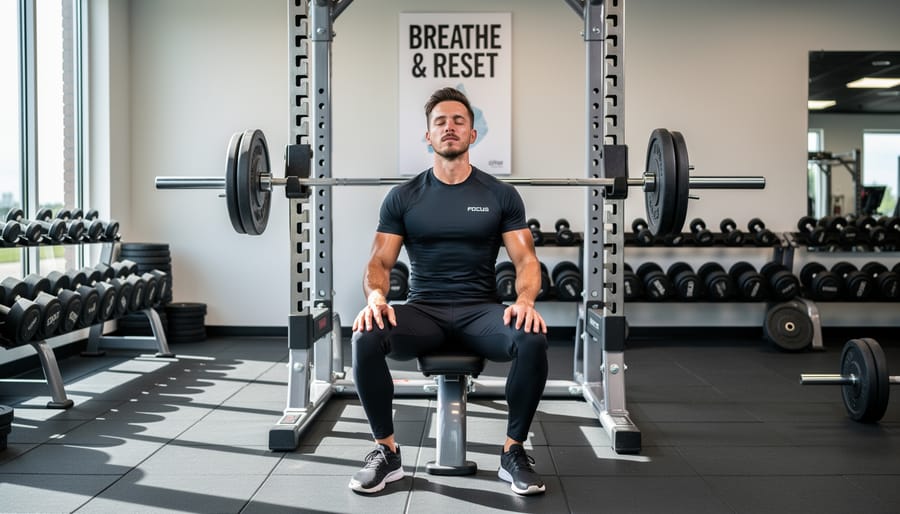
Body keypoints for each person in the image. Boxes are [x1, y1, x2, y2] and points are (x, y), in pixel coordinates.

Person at [347, 87, 549, 496]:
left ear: (473, 135)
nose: (449, 128)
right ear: (428, 136)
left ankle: (513, 452)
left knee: (532, 338)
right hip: (425, 311)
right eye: (440, 122)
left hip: (482, 311)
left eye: (458, 121)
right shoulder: (403, 197)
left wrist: (524, 301)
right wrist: (376, 299)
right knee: (365, 336)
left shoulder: (500, 195)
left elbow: (526, 260)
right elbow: (378, 263)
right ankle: (385, 452)